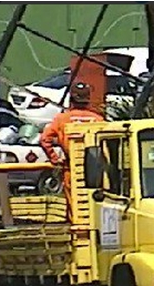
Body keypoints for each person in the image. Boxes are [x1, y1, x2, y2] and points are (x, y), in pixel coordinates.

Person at [39, 82, 104, 221]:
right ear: (88, 99)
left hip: (72, 168)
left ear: (71, 99)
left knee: (75, 205)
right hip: (97, 171)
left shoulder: (62, 119)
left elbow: (45, 139)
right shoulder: (98, 120)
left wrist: (55, 159)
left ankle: (77, 233)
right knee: (94, 205)